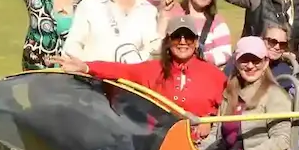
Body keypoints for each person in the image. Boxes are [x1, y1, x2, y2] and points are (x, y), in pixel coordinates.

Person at [56, 20, 226, 125]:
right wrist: (86, 67)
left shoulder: (213, 74)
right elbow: (120, 70)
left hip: (201, 148)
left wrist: (209, 119)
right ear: (168, 41)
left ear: (196, 42)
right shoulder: (152, 69)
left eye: (188, 37)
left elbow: (229, 104)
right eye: (177, 37)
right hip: (159, 144)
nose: (182, 42)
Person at [198, 37, 296, 150]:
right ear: (236, 62)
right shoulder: (230, 92)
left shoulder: (275, 95)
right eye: (244, 60)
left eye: (256, 61)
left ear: (265, 63)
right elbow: (215, 135)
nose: (250, 66)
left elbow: (281, 140)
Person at [144, 0, 234, 67]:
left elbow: (225, 54)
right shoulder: (171, 9)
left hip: (199, 75)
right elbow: (142, 5)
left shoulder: (216, 22)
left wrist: (195, 57)